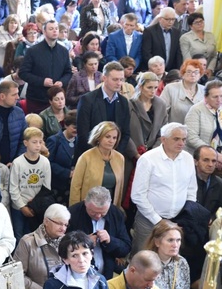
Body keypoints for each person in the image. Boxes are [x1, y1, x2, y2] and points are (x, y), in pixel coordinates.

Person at [131, 123, 198, 254]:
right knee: (143, 258)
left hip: (177, 221)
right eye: (176, 139)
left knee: (169, 259)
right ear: (163, 139)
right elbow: (138, 195)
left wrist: (185, 216)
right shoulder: (148, 159)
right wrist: (158, 220)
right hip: (148, 220)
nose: (181, 143)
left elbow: (191, 190)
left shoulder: (188, 158)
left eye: (184, 139)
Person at [67, 187, 132, 281]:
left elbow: (126, 248)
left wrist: (111, 240)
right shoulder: (73, 214)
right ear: (85, 203)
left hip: (106, 273)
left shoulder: (116, 214)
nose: (98, 216)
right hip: (79, 273)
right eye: (93, 212)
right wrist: (83, 243)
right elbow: (62, 246)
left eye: (103, 213)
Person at [74, 61, 131, 162]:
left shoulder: (123, 102)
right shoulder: (87, 100)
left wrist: (115, 154)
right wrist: (99, 156)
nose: (119, 83)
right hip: (90, 157)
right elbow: (83, 134)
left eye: (121, 79)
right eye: (115, 79)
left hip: (114, 158)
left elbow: (125, 133)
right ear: (104, 78)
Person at [144, 220, 191, 289]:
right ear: (157, 242)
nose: (175, 245)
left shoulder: (181, 263)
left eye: (178, 240)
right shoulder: (144, 262)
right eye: (170, 240)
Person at [20, 20, 73, 114]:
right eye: (51, 29)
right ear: (44, 32)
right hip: (37, 98)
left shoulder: (64, 51)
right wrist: (42, 81)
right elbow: (23, 73)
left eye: (56, 28)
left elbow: (68, 72)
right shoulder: (33, 51)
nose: (55, 31)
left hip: (56, 100)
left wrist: (62, 82)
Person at [9, 127, 51, 240]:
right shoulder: (17, 163)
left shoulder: (45, 162)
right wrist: (22, 206)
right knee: (19, 235)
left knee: (35, 236)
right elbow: (13, 188)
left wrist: (35, 205)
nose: (38, 145)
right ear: (25, 143)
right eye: (34, 142)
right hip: (18, 207)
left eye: (40, 142)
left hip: (36, 207)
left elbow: (46, 188)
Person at [70, 121, 125, 207]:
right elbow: (75, 187)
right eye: (107, 137)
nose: (111, 141)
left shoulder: (120, 158)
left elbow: (120, 188)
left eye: (114, 138)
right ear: (98, 137)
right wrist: (75, 210)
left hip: (110, 206)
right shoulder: (86, 157)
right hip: (88, 207)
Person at [127, 72, 168, 160]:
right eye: (149, 87)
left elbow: (163, 132)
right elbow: (124, 132)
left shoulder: (161, 105)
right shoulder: (129, 104)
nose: (153, 91)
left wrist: (153, 152)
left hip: (153, 154)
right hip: (131, 154)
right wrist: (135, 153)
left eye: (155, 87)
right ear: (141, 87)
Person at [160, 59, 205, 124]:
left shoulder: (205, 90)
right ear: (183, 74)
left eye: (196, 72)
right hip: (175, 131)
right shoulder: (170, 88)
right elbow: (161, 113)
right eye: (189, 72)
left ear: (200, 75)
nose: (193, 75)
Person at [141, 7, 182, 72]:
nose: (170, 22)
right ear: (160, 19)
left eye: (173, 19)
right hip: (153, 70)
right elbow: (146, 53)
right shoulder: (150, 31)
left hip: (171, 70)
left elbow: (178, 54)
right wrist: (155, 67)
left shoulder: (177, 32)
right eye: (167, 19)